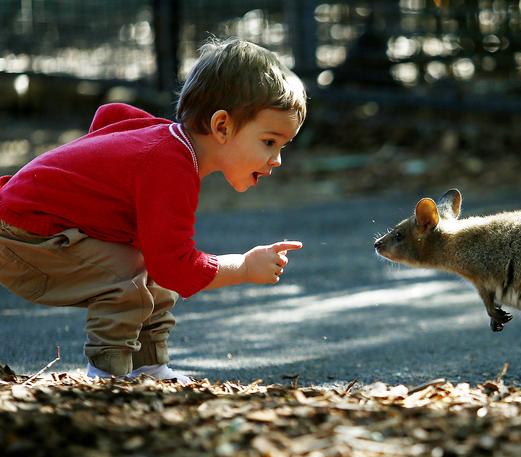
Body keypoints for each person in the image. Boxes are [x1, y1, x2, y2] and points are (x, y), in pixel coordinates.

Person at [0, 37, 307, 383]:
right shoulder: (169, 165)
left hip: (26, 222)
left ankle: (150, 369)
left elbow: (111, 115)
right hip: (22, 234)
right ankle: (106, 379)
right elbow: (178, 267)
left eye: (282, 145)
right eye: (269, 142)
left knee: (150, 271)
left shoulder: (165, 143)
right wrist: (245, 266)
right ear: (222, 126)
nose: (277, 159)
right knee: (128, 277)